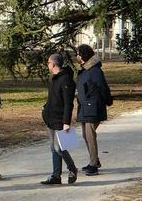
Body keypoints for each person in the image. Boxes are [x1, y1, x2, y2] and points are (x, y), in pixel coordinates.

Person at [75, 44, 113, 176]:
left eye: (78, 54)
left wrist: (108, 100)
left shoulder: (95, 71)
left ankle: (93, 165)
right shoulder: (84, 70)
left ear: (84, 55)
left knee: (90, 136)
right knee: (86, 135)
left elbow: (103, 87)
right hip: (85, 107)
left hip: (94, 107)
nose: (77, 56)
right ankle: (94, 160)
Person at [41, 53, 78, 185]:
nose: (48, 65)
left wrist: (66, 122)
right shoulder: (53, 79)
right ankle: (56, 175)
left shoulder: (66, 80)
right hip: (50, 118)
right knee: (53, 148)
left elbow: (69, 103)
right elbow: (51, 98)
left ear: (54, 64)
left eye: (48, 63)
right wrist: (45, 109)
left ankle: (72, 168)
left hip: (60, 119)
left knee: (59, 148)